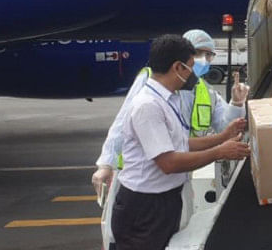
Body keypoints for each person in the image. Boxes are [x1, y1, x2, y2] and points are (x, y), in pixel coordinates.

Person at [111, 34, 250, 250]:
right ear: (177, 67)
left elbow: (181, 142)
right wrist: (220, 152)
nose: (192, 74)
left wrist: (222, 137)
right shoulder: (148, 106)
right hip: (145, 207)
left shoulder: (170, 99)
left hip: (164, 201)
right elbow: (169, 163)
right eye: (190, 67)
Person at [92, 29, 248, 195]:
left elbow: (219, 129)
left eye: (209, 55)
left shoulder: (203, 91)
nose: (204, 60)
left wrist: (236, 104)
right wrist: (106, 163)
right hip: (144, 183)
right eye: (198, 54)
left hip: (179, 175)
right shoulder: (151, 91)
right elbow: (121, 125)